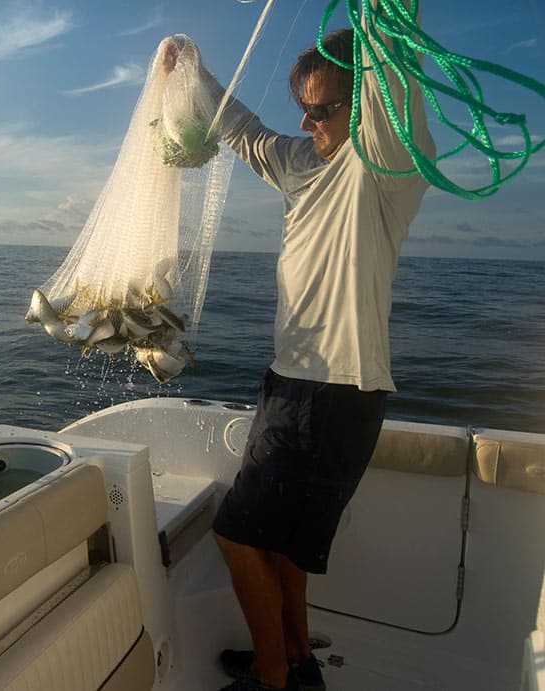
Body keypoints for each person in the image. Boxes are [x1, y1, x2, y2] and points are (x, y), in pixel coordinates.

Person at [162, 2, 434, 689]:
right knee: (275, 544)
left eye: (323, 109)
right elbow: (244, 131)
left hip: (334, 395)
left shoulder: (385, 166)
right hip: (288, 385)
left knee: (235, 535)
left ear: (365, 102)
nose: (308, 123)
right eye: (304, 110)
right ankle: (295, 660)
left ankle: (273, 678)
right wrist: (191, 69)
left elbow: (392, 62)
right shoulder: (298, 161)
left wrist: (383, 27)